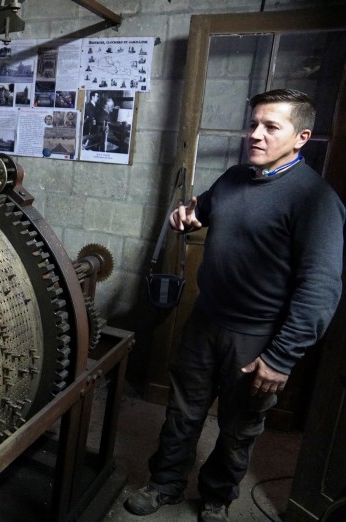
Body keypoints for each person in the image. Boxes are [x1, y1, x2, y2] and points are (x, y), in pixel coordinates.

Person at [124, 89, 344, 522]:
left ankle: (216, 497)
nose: (255, 135)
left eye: (270, 127)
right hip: (206, 321)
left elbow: (320, 288)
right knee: (182, 412)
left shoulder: (315, 200)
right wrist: (184, 217)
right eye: (254, 124)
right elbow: (199, 211)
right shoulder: (234, 178)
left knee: (238, 428)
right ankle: (165, 483)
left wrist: (280, 358)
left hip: (258, 336)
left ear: (301, 137)